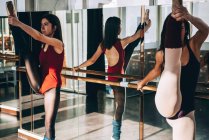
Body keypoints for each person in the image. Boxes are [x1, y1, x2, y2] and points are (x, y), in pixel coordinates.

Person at [73, 13, 151, 140]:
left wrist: (78, 67)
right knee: (120, 108)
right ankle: (115, 137)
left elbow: (92, 60)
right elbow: (138, 35)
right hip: (117, 79)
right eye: (119, 26)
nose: (121, 28)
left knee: (132, 45)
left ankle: (115, 136)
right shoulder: (121, 42)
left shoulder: (104, 44)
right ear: (116, 29)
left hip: (112, 77)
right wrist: (148, 23)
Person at [137, 5, 208, 140]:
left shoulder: (193, 45)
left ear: (185, 30)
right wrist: (143, 81)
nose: (178, 32)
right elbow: (157, 70)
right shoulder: (161, 53)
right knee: (171, 67)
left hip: (184, 111)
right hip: (167, 103)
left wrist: (189, 17)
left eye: (181, 28)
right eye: (174, 30)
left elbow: (205, 30)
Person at [9, 13, 64, 140]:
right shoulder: (44, 45)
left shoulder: (58, 43)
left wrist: (18, 23)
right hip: (42, 83)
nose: (42, 27)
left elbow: (38, 36)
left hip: (52, 88)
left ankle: (14, 26)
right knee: (26, 53)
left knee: (49, 125)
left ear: (54, 28)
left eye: (46, 24)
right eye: (41, 25)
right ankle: (14, 27)